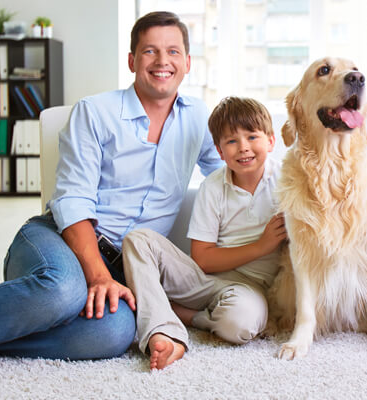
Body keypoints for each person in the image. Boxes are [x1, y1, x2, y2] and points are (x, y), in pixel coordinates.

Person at [0, 11, 222, 360]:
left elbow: (229, 176)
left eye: (173, 52)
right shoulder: (95, 111)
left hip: (124, 266)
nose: (162, 61)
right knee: (63, 291)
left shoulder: (198, 117)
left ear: (187, 62)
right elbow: (72, 200)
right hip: (58, 238)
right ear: (132, 60)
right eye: (150, 51)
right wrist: (98, 275)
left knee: (113, 332)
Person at [122, 96, 287, 370]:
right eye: (231, 141)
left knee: (240, 324)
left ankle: (185, 315)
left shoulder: (285, 182)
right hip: (205, 281)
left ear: (271, 141)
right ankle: (163, 331)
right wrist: (261, 246)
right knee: (138, 240)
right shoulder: (213, 186)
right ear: (220, 152)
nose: (243, 148)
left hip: (251, 289)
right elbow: (202, 259)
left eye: (252, 137)